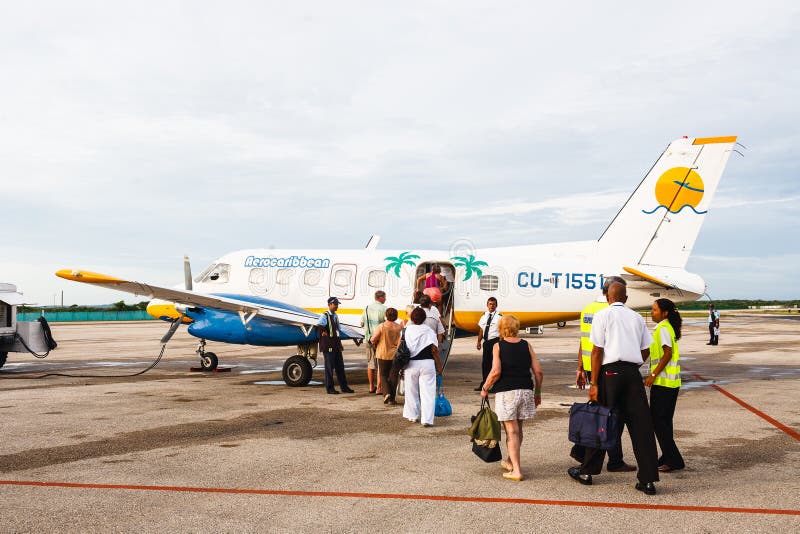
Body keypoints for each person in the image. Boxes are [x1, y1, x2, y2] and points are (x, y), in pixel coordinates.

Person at [567, 282, 660, 496]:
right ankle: (647, 480)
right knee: (641, 427)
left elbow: (597, 351)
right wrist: (632, 366)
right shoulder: (636, 317)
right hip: (632, 374)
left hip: (609, 374)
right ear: (626, 298)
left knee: (601, 421)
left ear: (608, 297)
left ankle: (587, 472)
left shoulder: (603, 315)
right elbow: (646, 348)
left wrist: (595, 383)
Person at [572, 276, 635, 472]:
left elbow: (584, 341)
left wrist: (581, 367)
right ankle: (609, 459)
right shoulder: (608, 312)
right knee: (611, 416)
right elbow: (601, 346)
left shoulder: (587, 309)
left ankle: (583, 451)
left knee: (599, 413)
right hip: (607, 368)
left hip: (592, 366)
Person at [480, 315, 543, 482]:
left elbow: (496, 372)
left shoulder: (498, 346)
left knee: (511, 431)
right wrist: (538, 392)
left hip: (507, 393)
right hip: (526, 391)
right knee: (518, 429)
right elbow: (538, 371)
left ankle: (516, 470)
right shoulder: (526, 345)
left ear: (501, 328)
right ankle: (509, 461)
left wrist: (485, 388)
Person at [644, 298, 686, 472]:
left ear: (664, 313)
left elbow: (667, 353)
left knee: (658, 423)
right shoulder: (667, 327)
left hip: (663, 383)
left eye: (654, 310)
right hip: (671, 383)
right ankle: (668, 456)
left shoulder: (662, 328)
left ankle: (674, 460)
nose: (652, 312)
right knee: (664, 423)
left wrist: (653, 375)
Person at [402, 306, 443, 427]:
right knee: (428, 392)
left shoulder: (406, 330)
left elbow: (401, 346)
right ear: (424, 318)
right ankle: (427, 420)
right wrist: (439, 366)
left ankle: (413, 416)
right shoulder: (429, 331)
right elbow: (434, 350)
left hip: (411, 364)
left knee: (411, 391)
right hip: (427, 364)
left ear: (412, 318)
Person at [316, 297, 354, 395]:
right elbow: (319, 325)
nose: (337, 306)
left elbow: (338, 331)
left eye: (337, 304)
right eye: (335, 304)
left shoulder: (336, 316)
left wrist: (340, 343)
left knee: (340, 367)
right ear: (330, 304)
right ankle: (330, 388)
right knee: (329, 367)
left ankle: (344, 387)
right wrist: (324, 332)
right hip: (328, 345)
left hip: (336, 344)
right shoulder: (325, 315)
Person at [370, 307, 402, 405]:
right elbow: (401, 341)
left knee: (383, 375)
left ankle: (386, 393)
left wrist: (375, 342)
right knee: (393, 376)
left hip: (383, 353)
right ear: (396, 316)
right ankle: (392, 399)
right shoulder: (399, 327)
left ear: (386, 316)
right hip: (395, 354)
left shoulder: (382, 326)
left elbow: (373, 339)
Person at [361, 290, 387, 394]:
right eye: (385, 297)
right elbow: (386, 324)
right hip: (380, 341)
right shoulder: (384, 309)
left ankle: (371, 387)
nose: (385, 299)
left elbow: (362, 323)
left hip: (368, 339)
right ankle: (379, 388)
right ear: (380, 298)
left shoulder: (366, 308)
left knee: (371, 364)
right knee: (380, 365)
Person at [475, 297, 501, 392]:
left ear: (496, 305)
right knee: (485, 364)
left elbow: (502, 332)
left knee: (495, 364)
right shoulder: (484, 316)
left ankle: (496, 385)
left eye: (493, 304)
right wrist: (479, 341)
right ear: (487, 305)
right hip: (486, 342)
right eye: (490, 304)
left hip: (495, 342)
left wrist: (500, 344)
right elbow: (481, 329)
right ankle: (484, 384)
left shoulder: (499, 317)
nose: (492, 306)